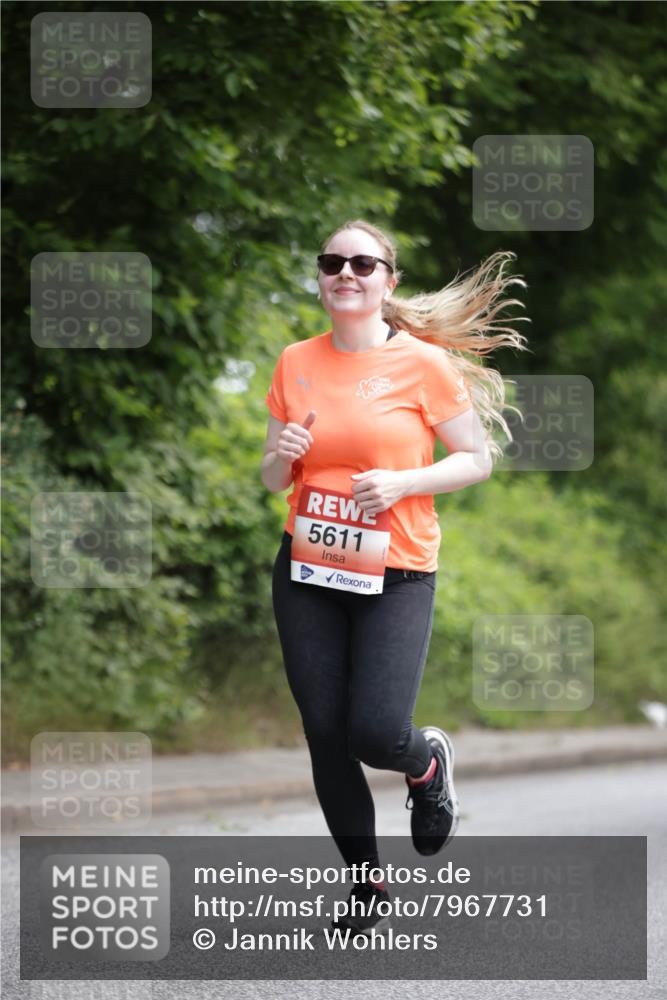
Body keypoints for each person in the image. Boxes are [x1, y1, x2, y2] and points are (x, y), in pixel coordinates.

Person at [261, 219, 528, 936]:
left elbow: (476, 458)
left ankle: (426, 763)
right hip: (309, 566)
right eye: (331, 262)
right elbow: (270, 475)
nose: (345, 272)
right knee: (325, 734)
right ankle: (365, 885)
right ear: (320, 277)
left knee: (375, 732)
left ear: (388, 281)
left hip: (397, 570)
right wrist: (283, 454)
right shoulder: (294, 361)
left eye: (362, 263)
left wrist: (404, 481)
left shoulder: (422, 365)